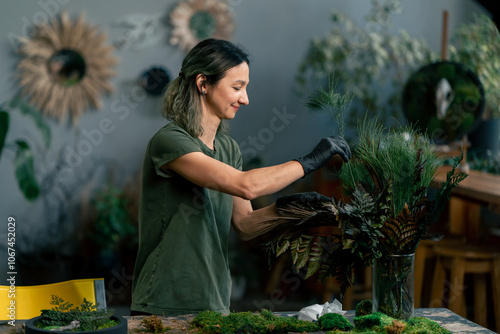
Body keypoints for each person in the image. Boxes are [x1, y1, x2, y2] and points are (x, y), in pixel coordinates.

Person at [130, 38, 351, 316]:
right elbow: (245, 186)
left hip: (214, 299)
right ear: (203, 84)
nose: (245, 99)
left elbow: (246, 224)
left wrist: (291, 210)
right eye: (237, 87)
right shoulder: (171, 142)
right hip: (164, 301)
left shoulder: (227, 149)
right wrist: (311, 161)